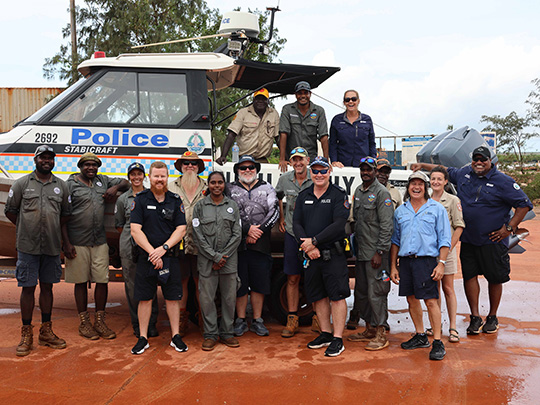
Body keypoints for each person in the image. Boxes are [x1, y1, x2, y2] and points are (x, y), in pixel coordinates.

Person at [411, 146, 533, 335]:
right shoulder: (464, 174)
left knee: (495, 278)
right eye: (475, 159)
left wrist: (509, 228)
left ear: (490, 161)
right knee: (470, 277)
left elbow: (524, 205)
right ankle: (475, 317)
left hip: (493, 240)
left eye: (482, 159)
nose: (478, 163)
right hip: (469, 240)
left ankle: (492, 317)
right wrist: (422, 165)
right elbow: (443, 169)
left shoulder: (503, 181)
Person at [5, 145, 71, 357]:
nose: (47, 161)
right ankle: (26, 334)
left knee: (48, 288)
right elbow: (10, 211)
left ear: (54, 161)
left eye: (50, 158)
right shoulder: (22, 183)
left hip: (51, 246)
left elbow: (65, 215)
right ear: (35, 160)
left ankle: (46, 330)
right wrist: (27, 228)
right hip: (27, 247)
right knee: (27, 288)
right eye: (43, 157)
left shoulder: (61, 186)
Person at [62, 152, 129, 340]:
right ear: (80, 166)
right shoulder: (70, 185)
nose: (91, 168)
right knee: (81, 282)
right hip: (77, 241)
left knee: (102, 280)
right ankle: (84, 323)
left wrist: (115, 187)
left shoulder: (103, 181)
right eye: (87, 165)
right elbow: (63, 217)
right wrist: (66, 243)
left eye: (94, 165)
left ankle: (100, 321)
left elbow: (126, 182)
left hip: (99, 240)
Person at [390, 171, 451, 361]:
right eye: (412, 184)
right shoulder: (401, 211)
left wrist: (441, 264)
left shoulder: (436, 209)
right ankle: (420, 335)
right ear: (408, 187)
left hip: (427, 261)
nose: (416, 187)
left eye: (420, 184)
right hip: (407, 261)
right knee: (411, 299)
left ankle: (438, 341)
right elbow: (395, 241)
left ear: (426, 187)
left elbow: (445, 239)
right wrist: (393, 266)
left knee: (431, 300)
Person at [293, 156, 351, 357]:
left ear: (329, 172)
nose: (319, 174)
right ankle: (325, 333)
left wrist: (314, 241)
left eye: (323, 170)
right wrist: (308, 247)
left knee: (337, 296)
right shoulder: (304, 195)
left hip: (333, 254)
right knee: (318, 296)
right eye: (315, 171)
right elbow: (296, 223)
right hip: (311, 254)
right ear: (310, 172)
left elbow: (338, 224)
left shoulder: (338, 195)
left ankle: (337, 338)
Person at [130, 161, 188, 355]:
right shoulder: (140, 199)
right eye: (156, 176)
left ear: (167, 177)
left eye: (163, 176)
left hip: (169, 257)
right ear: (149, 177)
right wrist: (152, 253)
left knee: (172, 298)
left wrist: (163, 249)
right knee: (145, 299)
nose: (159, 179)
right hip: (146, 258)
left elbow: (181, 229)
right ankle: (143, 338)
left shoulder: (175, 199)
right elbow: (135, 230)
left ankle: (175, 336)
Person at [347, 157, 394, 351]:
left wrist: (380, 251)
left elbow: (387, 225)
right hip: (362, 252)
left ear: (375, 171)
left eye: (369, 169)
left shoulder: (382, 193)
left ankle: (381, 332)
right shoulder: (359, 191)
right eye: (363, 169)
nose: (365, 172)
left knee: (377, 293)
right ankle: (369, 328)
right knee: (362, 292)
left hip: (376, 254)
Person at [229, 155, 279, 337]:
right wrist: (247, 230)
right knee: (240, 284)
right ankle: (240, 320)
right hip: (238, 245)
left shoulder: (268, 188)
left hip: (261, 244)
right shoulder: (230, 189)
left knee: (259, 284)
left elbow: (274, 212)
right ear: (237, 171)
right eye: (243, 168)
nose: (247, 171)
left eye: (251, 167)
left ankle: (258, 320)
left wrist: (257, 232)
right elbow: (228, 214)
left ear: (256, 169)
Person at [192, 171, 242, 351]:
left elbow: (237, 234)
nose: (216, 186)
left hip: (228, 262)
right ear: (208, 185)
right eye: (213, 182)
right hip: (207, 262)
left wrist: (222, 257)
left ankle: (227, 333)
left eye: (220, 182)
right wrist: (214, 256)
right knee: (207, 300)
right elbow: (197, 235)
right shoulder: (200, 207)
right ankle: (210, 335)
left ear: (224, 185)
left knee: (229, 299)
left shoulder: (233, 206)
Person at [115, 162, 159, 338]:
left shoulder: (152, 196)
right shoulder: (123, 199)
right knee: (132, 287)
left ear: (144, 176)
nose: (136, 177)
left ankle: (152, 323)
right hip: (128, 248)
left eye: (139, 174)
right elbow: (119, 225)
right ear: (129, 177)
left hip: (149, 248)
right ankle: (137, 323)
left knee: (150, 285)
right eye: (133, 174)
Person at [275, 146, 313, 338]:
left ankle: (317, 319)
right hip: (291, 234)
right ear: (290, 162)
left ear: (307, 161)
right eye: (294, 160)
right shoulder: (284, 180)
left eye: (301, 159)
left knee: (314, 276)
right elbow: (278, 198)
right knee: (292, 277)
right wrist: (282, 218)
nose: (298, 163)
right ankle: (292, 318)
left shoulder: (315, 178)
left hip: (311, 235)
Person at [168, 151, 206, 336]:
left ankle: (203, 319)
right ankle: (181, 321)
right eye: (186, 163)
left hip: (202, 245)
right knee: (181, 282)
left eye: (193, 163)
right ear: (180, 166)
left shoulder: (207, 187)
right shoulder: (170, 187)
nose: (190, 166)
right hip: (179, 244)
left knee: (201, 283)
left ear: (199, 167)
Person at [426, 166, 465, 343]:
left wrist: (449, 248)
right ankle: (436, 325)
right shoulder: (424, 199)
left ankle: (453, 327)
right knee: (434, 291)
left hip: (446, 252)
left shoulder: (452, 200)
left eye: (439, 179)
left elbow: (459, 226)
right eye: (433, 179)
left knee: (448, 289)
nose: (435, 182)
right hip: (428, 252)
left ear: (446, 181)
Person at [217, 88, 280, 164]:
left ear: (268, 101)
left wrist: (285, 158)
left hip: (263, 160)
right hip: (244, 159)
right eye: (257, 98)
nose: (260, 101)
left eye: (263, 99)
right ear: (253, 100)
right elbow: (231, 134)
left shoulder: (274, 114)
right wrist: (223, 156)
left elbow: (278, 138)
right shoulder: (243, 112)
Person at [279, 81, 329, 172]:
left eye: (305, 93)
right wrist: (282, 159)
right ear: (295, 95)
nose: (303, 96)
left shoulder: (319, 111)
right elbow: (283, 133)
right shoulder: (287, 109)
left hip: (311, 159)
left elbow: (324, 136)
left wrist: (326, 161)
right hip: (292, 159)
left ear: (310, 94)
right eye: (299, 93)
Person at [329, 90, 377, 168]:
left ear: (358, 101)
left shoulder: (367, 119)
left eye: (353, 99)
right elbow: (332, 143)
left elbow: (371, 143)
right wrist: (334, 161)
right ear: (344, 102)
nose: (350, 102)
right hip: (342, 165)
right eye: (347, 100)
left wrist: (373, 160)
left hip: (364, 165)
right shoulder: (337, 120)